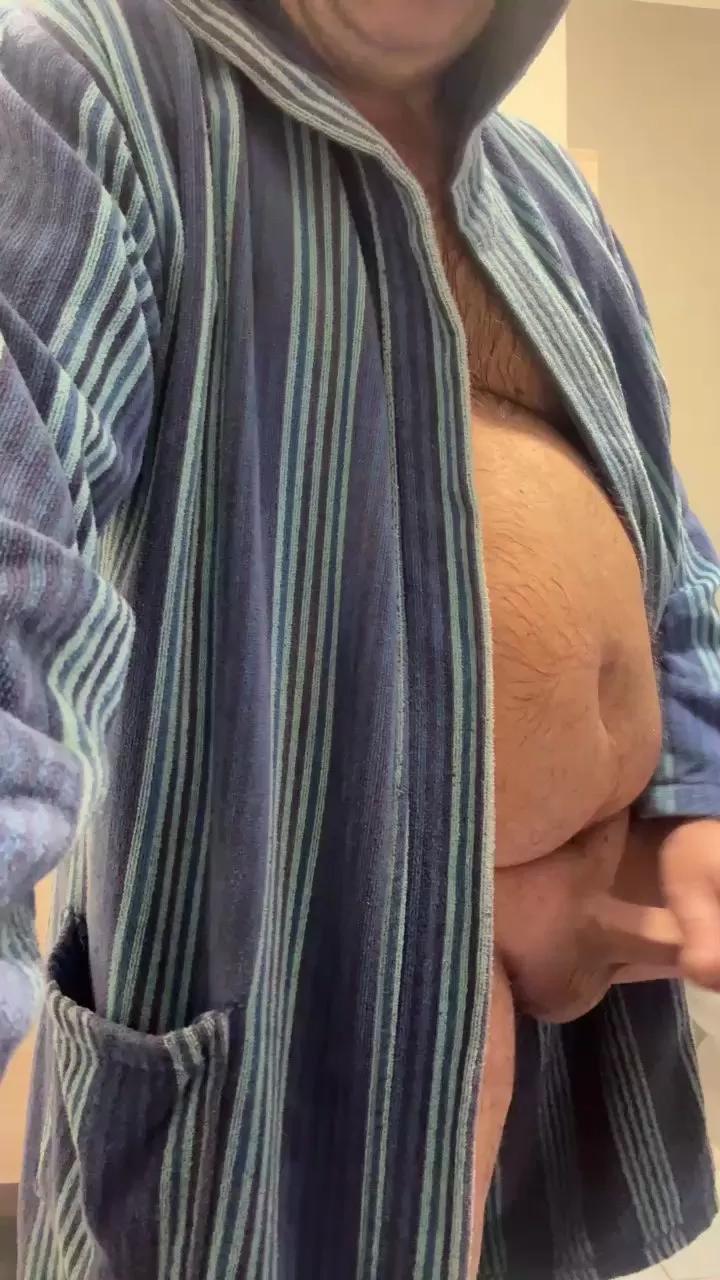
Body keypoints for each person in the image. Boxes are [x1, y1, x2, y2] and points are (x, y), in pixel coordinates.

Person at [1, 0, 719, 1276]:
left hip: (568, 1020)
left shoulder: (547, 200)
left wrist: (696, 790)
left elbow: (667, 548)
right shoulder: (91, 94)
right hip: (284, 1076)